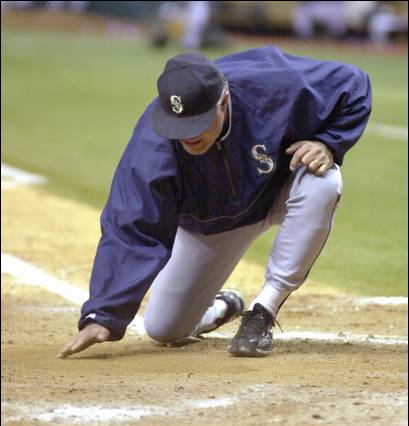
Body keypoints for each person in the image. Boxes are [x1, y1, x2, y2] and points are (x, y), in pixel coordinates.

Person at [58, 45, 371, 359]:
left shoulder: (277, 83)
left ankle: (263, 311)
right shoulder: (152, 146)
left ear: (224, 100)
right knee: (164, 329)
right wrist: (104, 313)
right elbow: (132, 225)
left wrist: (329, 143)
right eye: (179, 127)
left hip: (279, 188)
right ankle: (224, 306)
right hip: (210, 225)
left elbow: (354, 84)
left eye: (198, 123)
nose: (187, 137)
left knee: (323, 179)